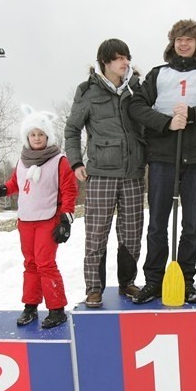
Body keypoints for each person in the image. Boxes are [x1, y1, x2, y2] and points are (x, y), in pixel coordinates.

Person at [128, 19, 196, 304]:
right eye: (179, 39)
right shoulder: (158, 75)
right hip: (164, 157)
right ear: (172, 43)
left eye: (189, 39)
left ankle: (185, 280)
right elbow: (136, 106)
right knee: (157, 223)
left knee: (192, 224)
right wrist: (167, 123)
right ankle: (153, 280)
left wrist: (193, 115)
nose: (184, 43)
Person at [65, 38, 145, 309]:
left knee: (132, 233)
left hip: (133, 173)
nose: (125, 63)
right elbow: (72, 129)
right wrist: (76, 162)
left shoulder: (137, 87)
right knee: (96, 234)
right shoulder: (87, 90)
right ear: (105, 62)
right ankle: (94, 288)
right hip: (100, 174)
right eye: (119, 58)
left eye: (127, 57)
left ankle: (128, 282)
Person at [0, 105, 78, 328]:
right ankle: (30, 307)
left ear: (48, 136)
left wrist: (65, 219)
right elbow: (15, 183)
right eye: (32, 134)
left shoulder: (59, 160)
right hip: (25, 220)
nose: (36, 138)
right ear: (27, 136)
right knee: (30, 264)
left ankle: (56, 309)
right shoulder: (23, 159)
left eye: (40, 134)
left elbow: (70, 190)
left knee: (45, 263)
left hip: (48, 219)